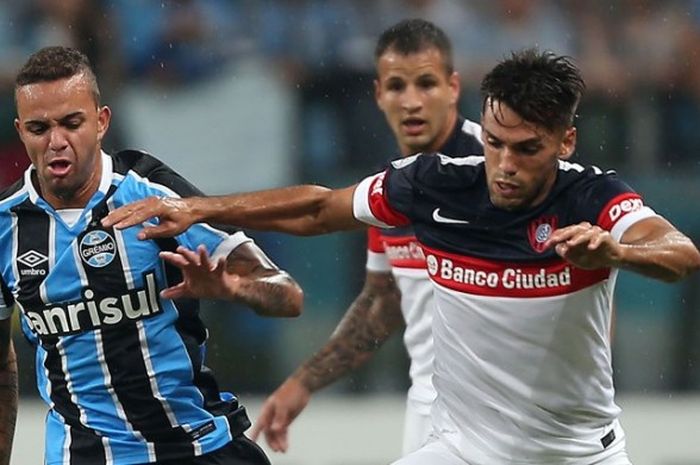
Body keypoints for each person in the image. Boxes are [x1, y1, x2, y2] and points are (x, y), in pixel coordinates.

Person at [104, 49, 700, 464]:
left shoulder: (592, 196)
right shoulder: (433, 183)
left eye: (527, 149)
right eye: (494, 142)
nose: (505, 165)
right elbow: (317, 209)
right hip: (464, 451)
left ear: (565, 141)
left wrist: (616, 250)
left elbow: (680, 253)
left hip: (578, 454)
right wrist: (203, 209)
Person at [0, 46, 303, 465]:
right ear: (20, 131)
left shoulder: (153, 193)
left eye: (72, 123)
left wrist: (234, 288)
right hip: (83, 456)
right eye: (39, 128)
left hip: (198, 448)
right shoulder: (5, 225)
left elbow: (288, 295)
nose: (56, 142)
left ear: (102, 121)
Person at [248, 18, 482, 455]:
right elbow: (383, 300)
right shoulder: (388, 187)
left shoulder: (498, 171)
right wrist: (303, 382)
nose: (411, 102)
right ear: (378, 94)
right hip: (430, 406)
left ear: (453, 87)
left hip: (509, 410)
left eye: (426, 84)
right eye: (397, 86)